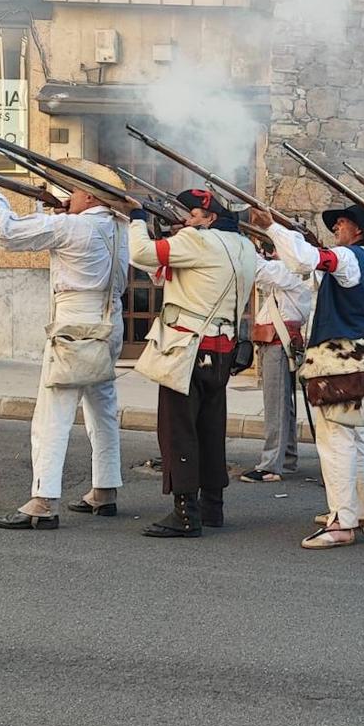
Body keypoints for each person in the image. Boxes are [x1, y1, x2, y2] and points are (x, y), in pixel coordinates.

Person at [0, 164, 128, 530]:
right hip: (109, 320)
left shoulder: (72, 226)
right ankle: (105, 490)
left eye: (73, 192)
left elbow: (4, 231)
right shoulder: (118, 226)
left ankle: (43, 500)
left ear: (89, 197)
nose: (68, 196)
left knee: (51, 414)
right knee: (102, 407)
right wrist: (53, 208)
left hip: (75, 320)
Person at [248, 203, 364, 550]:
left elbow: (303, 261)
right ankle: (358, 514)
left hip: (340, 357)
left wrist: (272, 228)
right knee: (351, 439)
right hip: (361, 354)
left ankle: (341, 521)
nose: (336, 227)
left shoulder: (351, 257)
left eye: (342, 223)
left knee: (335, 440)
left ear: (358, 230)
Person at [128, 189, 254, 537]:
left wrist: (136, 218)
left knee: (178, 430)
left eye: (193, 214)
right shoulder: (244, 246)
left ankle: (185, 513)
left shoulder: (197, 242)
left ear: (209, 218)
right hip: (221, 349)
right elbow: (162, 266)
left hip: (188, 348)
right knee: (210, 430)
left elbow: (140, 252)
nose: (185, 220)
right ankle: (213, 507)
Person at [240, 238, 312, 483]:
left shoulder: (290, 270)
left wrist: (243, 245)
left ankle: (271, 464)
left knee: (276, 404)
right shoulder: (285, 271)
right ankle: (287, 458)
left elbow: (258, 270)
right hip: (274, 340)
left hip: (278, 341)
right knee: (282, 404)